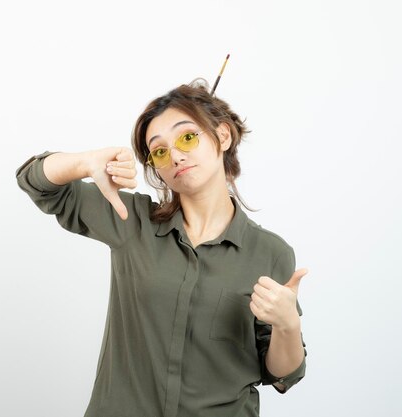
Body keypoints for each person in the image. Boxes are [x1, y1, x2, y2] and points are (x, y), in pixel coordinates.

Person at [15, 77, 308, 417]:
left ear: (223, 136)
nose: (176, 156)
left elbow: (282, 374)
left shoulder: (270, 252)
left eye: (187, 137)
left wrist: (288, 324)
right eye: (159, 150)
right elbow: (36, 182)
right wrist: (85, 162)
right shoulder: (131, 220)